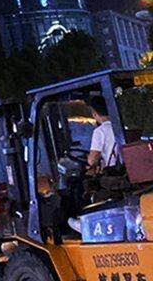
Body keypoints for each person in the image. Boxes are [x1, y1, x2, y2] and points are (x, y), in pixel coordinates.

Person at [68, 96, 118, 234]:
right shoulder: (120, 126)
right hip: (122, 170)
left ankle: (86, 222)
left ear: (95, 113)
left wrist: (89, 160)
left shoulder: (100, 131)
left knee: (80, 185)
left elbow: (92, 160)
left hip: (112, 173)